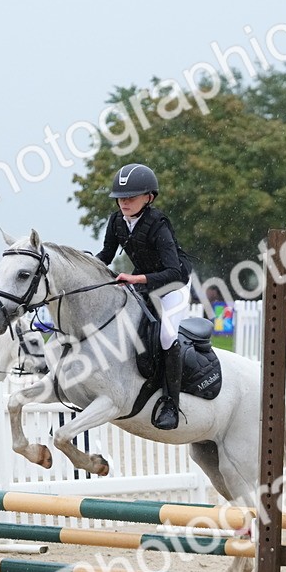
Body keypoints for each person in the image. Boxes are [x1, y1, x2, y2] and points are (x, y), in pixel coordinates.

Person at [96, 162, 194, 430]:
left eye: (130, 197)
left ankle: (171, 404)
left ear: (148, 198)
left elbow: (174, 271)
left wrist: (136, 278)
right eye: (120, 198)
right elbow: (105, 256)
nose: (123, 203)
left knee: (166, 336)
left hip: (174, 286)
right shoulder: (117, 221)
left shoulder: (158, 224)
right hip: (142, 282)